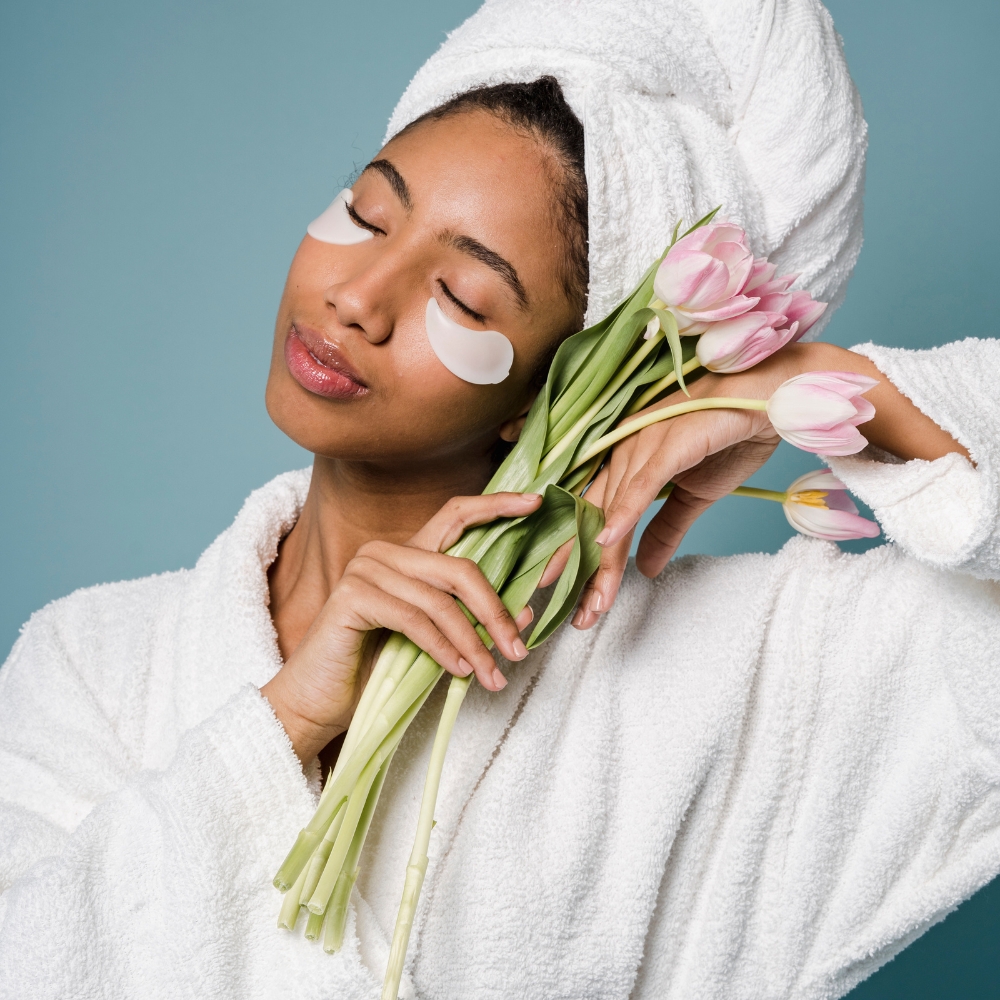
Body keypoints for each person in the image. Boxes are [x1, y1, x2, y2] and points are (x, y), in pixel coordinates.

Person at [1, 2, 998, 998]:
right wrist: (279, 727)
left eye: (465, 298)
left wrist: (821, 391)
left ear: (563, 388)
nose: (359, 293)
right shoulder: (93, 661)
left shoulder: (742, 678)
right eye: (364, 212)